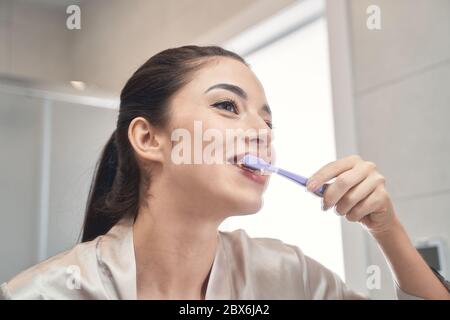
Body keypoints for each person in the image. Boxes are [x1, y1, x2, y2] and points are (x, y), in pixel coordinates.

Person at [1, 45, 449, 300]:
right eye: (226, 106)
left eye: (269, 122)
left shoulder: (289, 276)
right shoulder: (45, 293)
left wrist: (387, 231)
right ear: (148, 139)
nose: (261, 132)